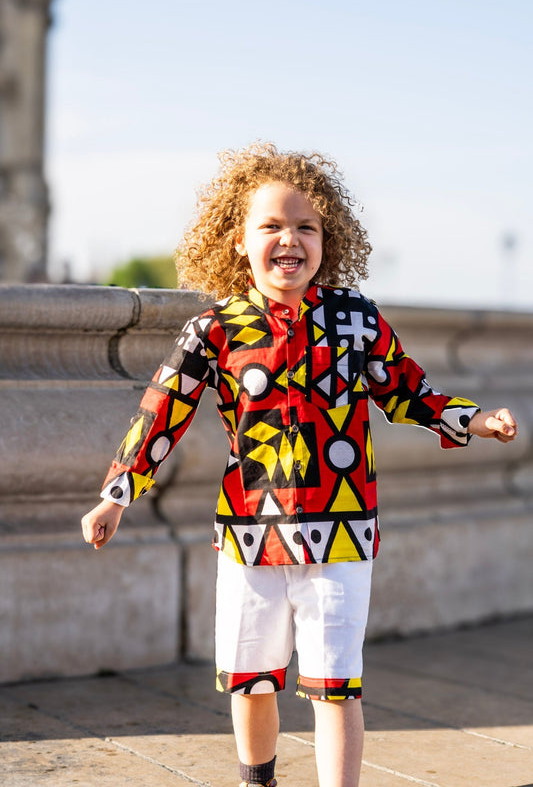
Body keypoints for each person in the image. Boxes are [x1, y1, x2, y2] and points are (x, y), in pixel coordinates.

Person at [81, 142, 517, 787]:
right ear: (237, 242)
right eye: (271, 226)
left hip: (342, 531)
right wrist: (116, 494)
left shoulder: (356, 320)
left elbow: (408, 390)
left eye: (306, 227)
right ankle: (257, 781)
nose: (290, 239)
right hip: (249, 533)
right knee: (250, 679)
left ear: (326, 240)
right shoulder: (214, 330)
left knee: (336, 685)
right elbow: (162, 409)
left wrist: (474, 420)